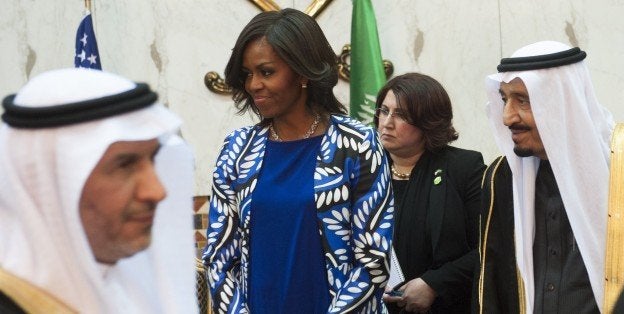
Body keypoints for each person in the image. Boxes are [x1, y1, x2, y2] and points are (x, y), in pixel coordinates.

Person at [202, 8, 394, 314]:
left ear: (303, 72)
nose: (253, 85)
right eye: (248, 74)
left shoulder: (356, 144)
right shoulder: (237, 149)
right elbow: (218, 257)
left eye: (266, 72)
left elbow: (373, 258)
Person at [0, 68, 196, 313]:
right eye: (124, 165)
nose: (156, 192)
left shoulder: (128, 287)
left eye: (153, 158)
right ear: (54, 182)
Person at [475, 41, 618, 313]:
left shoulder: (619, 169)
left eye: (523, 101)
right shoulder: (501, 178)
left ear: (561, 103)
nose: (507, 117)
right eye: (505, 99)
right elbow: (491, 283)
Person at [375, 73, 485, 313]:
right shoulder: (365, 171)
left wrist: (434, 284)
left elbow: (490, 246)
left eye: (401, 115)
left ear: (428, 121)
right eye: (384, 111)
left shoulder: (463, 168)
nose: (387, 123)